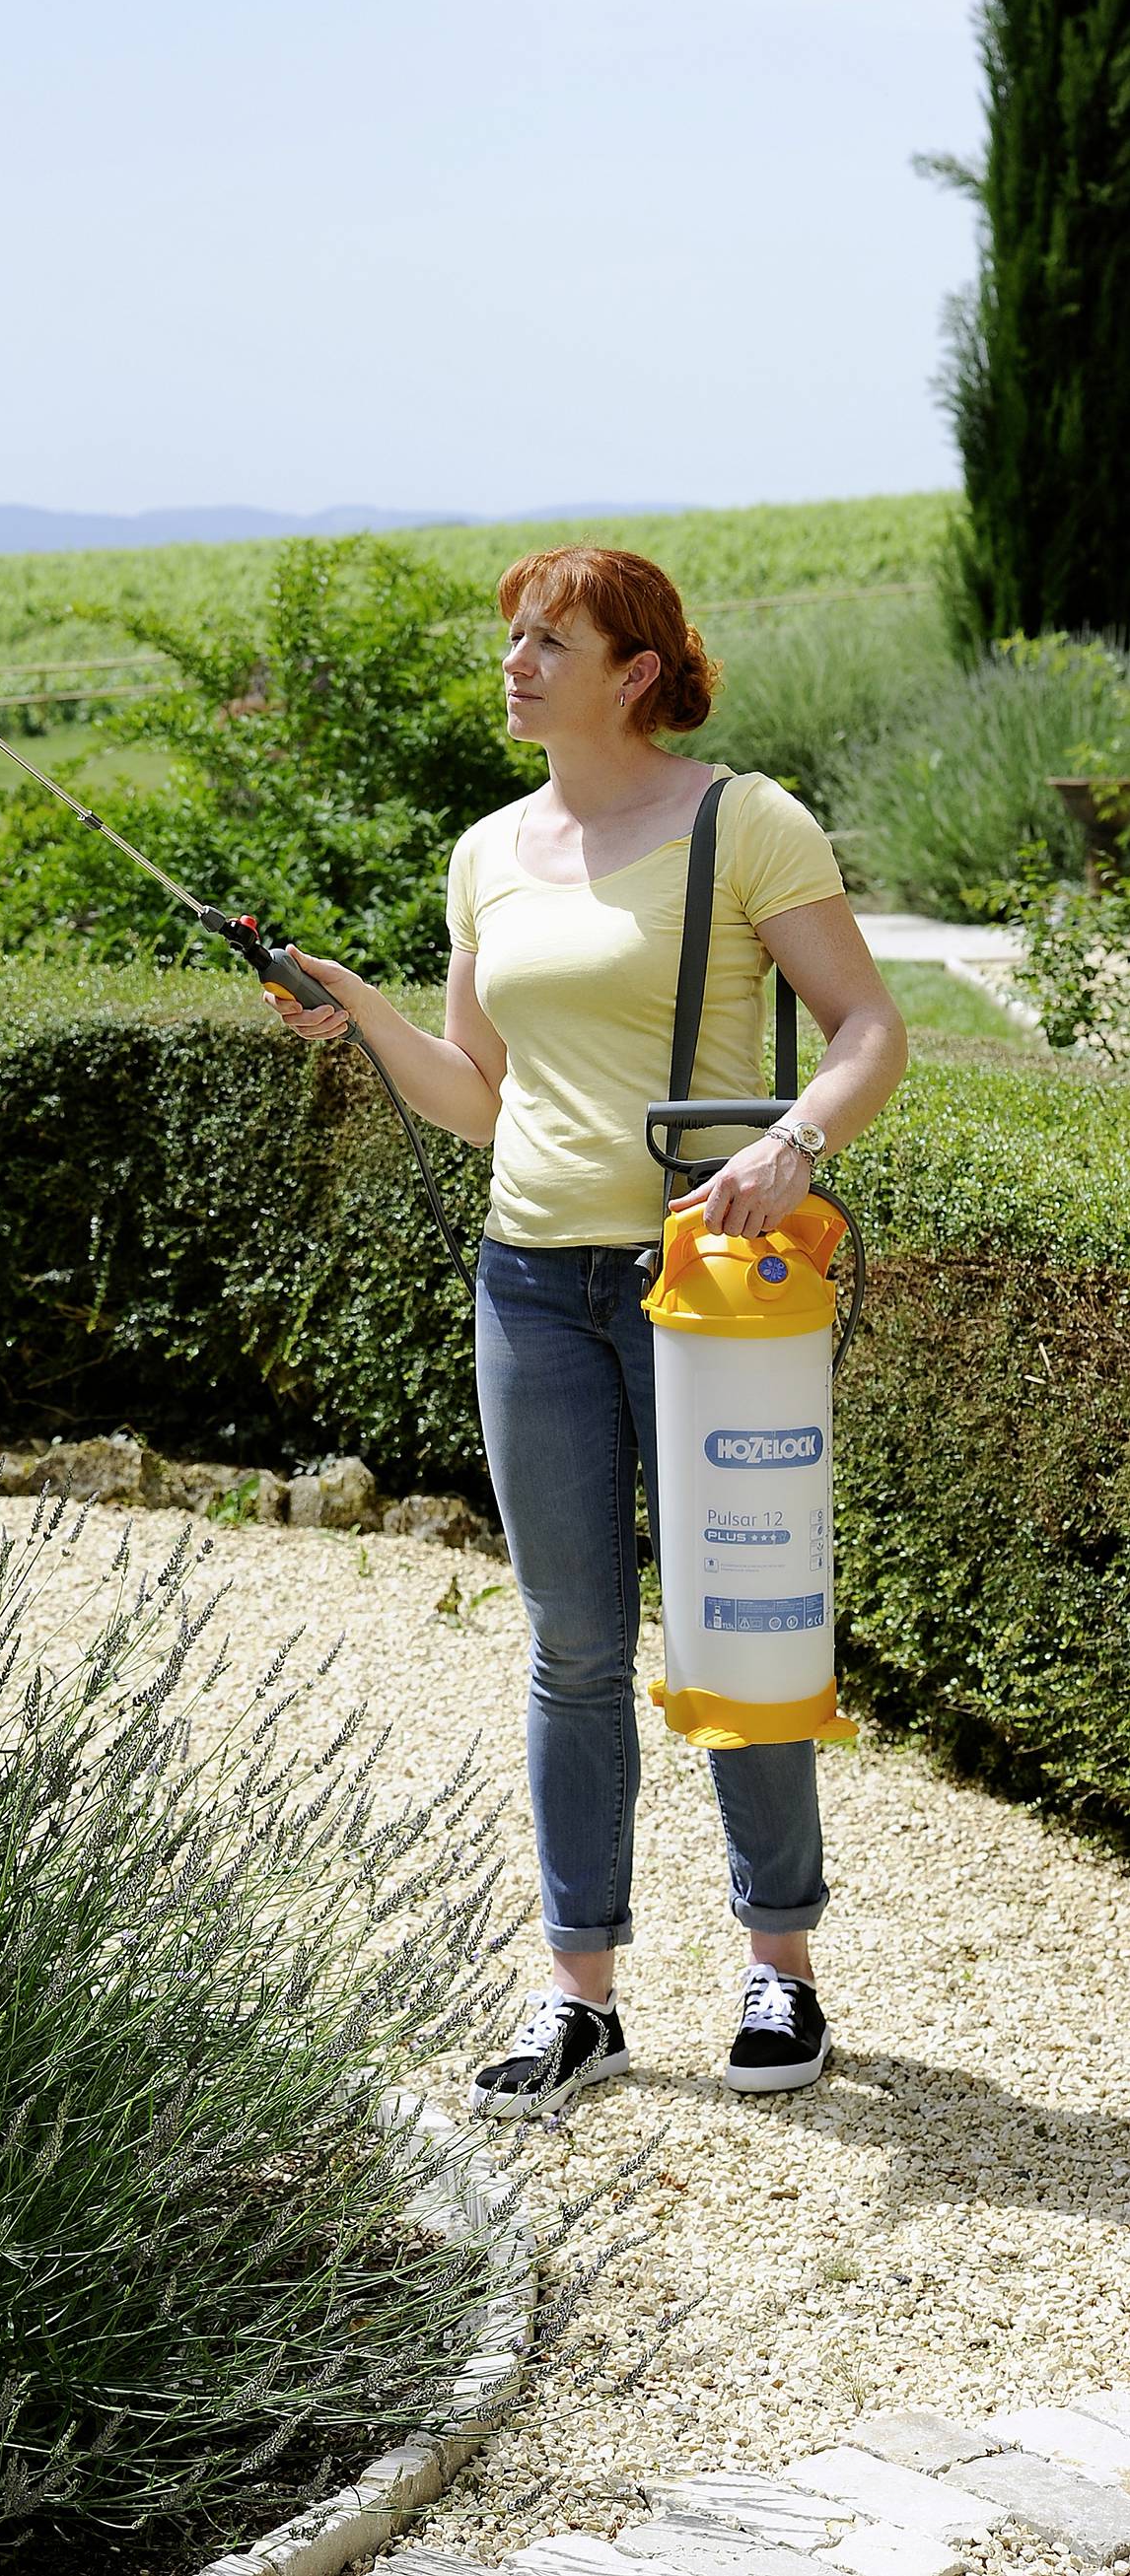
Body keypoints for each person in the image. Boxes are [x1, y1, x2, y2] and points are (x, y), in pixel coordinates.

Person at [260, 544, 907, 2114]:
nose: (516, 660)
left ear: (635, 669)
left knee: (730, 1621)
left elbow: (869, 1031)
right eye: (512, 638)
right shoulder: (486, 851)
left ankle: (779, 1969)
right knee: (569, 1648)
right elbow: (478, 1100)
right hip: (529, 1280)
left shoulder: (741, 820)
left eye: (552, 639)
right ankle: (582, 1997)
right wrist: (362, 1009)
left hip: (701, 1288)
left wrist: (790, 1145)